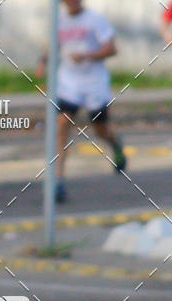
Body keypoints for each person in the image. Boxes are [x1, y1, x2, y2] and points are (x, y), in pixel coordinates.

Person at [37, 0, 126, 203]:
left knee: (101, 129)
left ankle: (116, 145)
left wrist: (87, 55)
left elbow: (112, 48)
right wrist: (43, 61)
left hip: (94, 84)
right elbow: (53, 46)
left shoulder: (95, 20)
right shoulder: (59, 21)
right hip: (69, 83)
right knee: (61, 125)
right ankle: (57, 180)